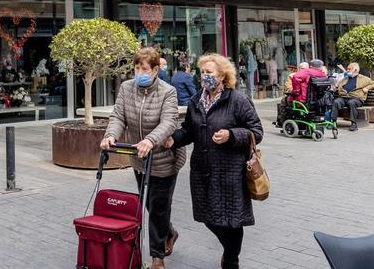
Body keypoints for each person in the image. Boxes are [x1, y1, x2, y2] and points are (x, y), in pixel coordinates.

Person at [164, 54, 263, 269]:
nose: (204, 77)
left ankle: (230, 258)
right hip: (202, 170)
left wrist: (232, 135)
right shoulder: (195, 100)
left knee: (232, 220)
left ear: (222, 75)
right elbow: (189, 131)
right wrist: (173, 140)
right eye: (202, 73)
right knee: (208, 217)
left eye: (209, 73)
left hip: (230, 172)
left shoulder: (237, 100)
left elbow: (256, 132)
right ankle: (230, 250)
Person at [101, 47, 185, 269]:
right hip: (139, 159)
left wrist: (150, 139)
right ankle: (169, 232)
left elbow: (169, 121)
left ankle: (157, 257)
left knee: (158, 206)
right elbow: (118, 116)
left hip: (164, 159)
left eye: (145, 69)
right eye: (137, 68)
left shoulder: (168, 92)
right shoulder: (127, 88)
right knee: (148, 203)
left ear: (156, 69)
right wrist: (111, 135)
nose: (140, 72)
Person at [332, 62, 374, 132]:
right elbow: (338, 86)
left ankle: (353, 123)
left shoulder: (364, 78)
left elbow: (373, 84)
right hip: (344, 97)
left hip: (356, 99)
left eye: (349, 69)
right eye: (347, 69)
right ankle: (333, 122)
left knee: (351, 103)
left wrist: (367, 88)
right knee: (336, 102)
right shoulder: (345, 78)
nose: (347, 70)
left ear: (355, 69)